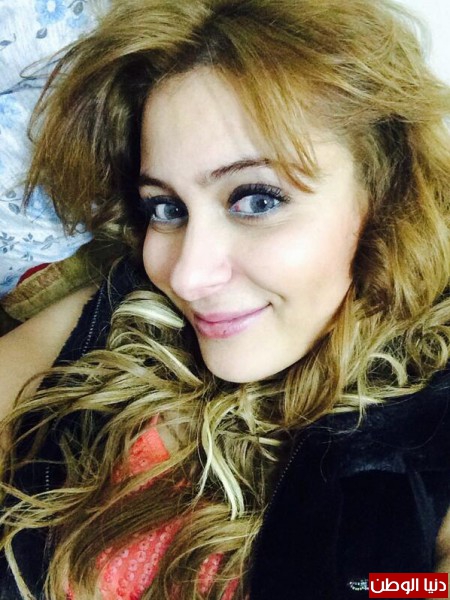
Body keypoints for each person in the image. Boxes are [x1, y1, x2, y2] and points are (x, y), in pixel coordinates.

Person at [0, 0, 449, 598]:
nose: (188, 277)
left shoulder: (430, 426)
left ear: (387, 196)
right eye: (167, 208)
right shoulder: (114, 319)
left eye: (257, 199)